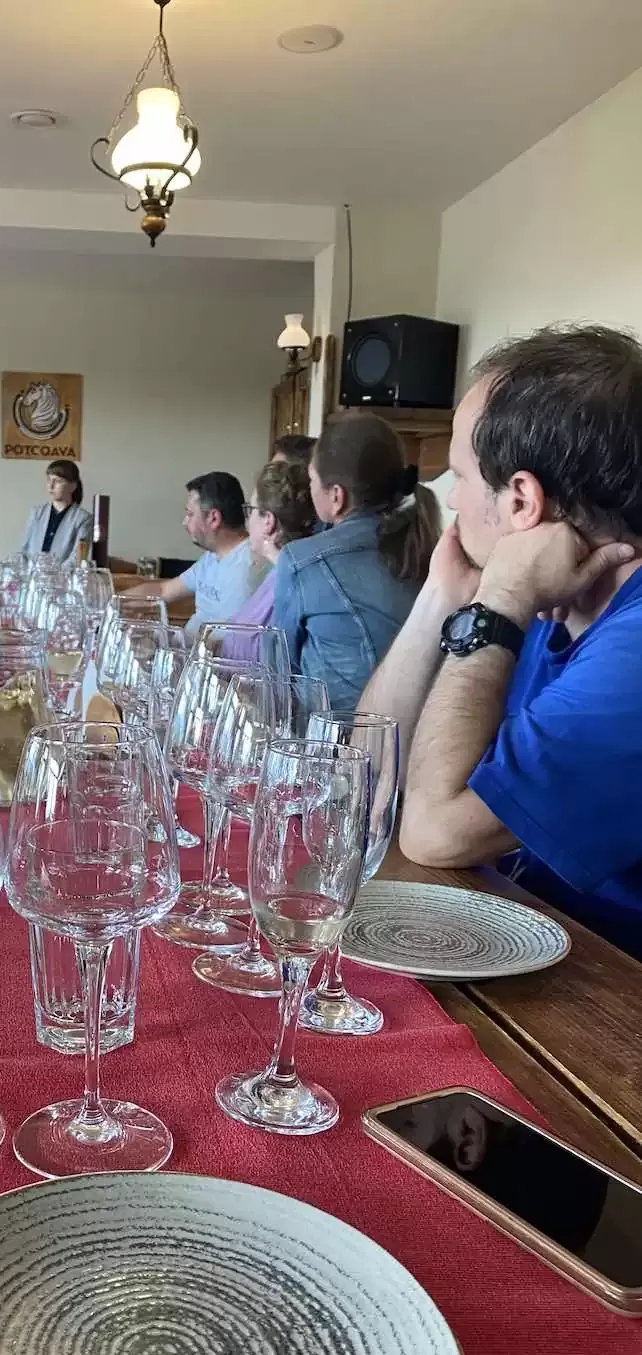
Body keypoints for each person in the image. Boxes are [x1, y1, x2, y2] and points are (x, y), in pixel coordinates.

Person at [360, 324, 642, 957]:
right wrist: (441, 599)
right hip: (517, 940)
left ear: (521, 501)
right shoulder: (551, 603)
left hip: (605, 993)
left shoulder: (629, 648)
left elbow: (435, 832)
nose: (449, 496)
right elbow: (369, 769)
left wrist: (498, 604)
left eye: (459, 474)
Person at [270, 413, 441, 710]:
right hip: (417, 731)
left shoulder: (301, 561)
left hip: (332, 734)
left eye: (312, 480)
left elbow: (277, 674)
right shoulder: (431, 549)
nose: (309, 489)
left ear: (337, 496)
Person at [127, 472, 270, 642]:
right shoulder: (212, 557)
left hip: (199, 656)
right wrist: (112, 604)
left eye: (190, 514)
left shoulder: (246, 569)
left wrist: (163, 642)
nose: (184, 522)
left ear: (213, 518)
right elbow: (163, 591)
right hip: (185, 652)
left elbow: (226, 644)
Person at [222, 459, 316, 660]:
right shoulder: (276, 572)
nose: (247, 521)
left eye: (250, 510)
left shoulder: (289, 583)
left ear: (268, 521)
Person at [18, 460, 93, 561]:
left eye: (58, 481)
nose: (51, 486)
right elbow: (24, 550)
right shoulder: (36, 513)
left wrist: (54, 571)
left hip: (64, 571)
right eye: (49, 479)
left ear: (73, 486)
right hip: (32, 570)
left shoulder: (83, 519)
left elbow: (77, 558)